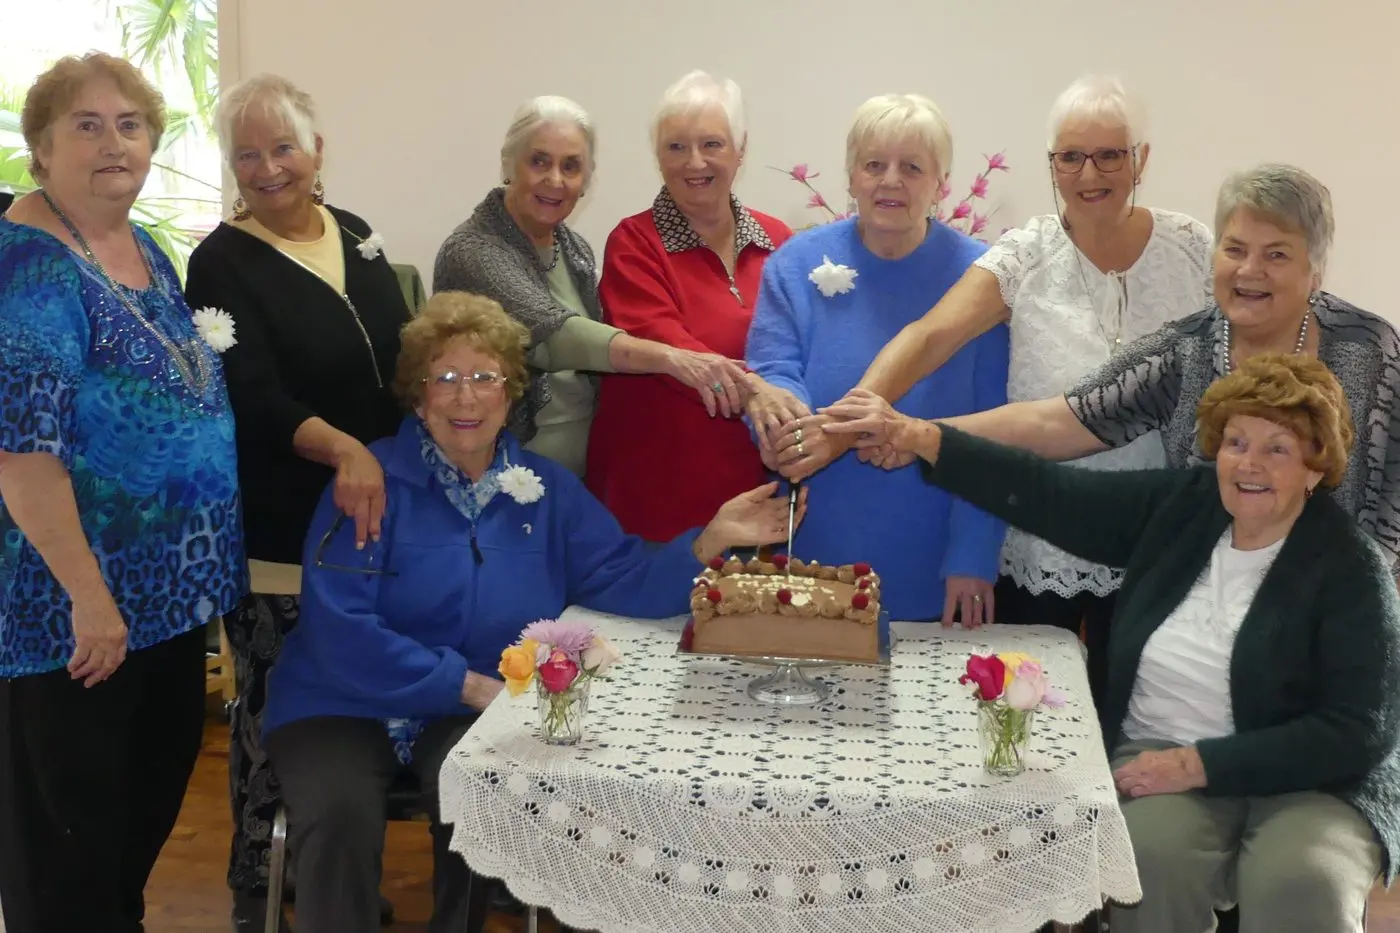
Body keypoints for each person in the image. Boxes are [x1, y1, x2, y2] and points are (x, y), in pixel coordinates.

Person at [262, 292, 804, 933]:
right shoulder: (371, 481)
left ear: (510, 393)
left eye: (485, 378)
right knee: (340, 810)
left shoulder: (546, 490)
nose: (466, 399)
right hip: (343, 696)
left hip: (466, 708)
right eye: (446, 379)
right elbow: (338, 628)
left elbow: (620, 576)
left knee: (485, 794)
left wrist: (710, 539)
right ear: (418, 394)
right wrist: (468, 685)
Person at [825, 354, 1399, 933]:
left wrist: (1201, 764)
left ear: (1314, 467)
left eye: (1278, 448)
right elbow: (1053, 493)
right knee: (1147, 860)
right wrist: (925, 440)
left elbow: (1359, 729)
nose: (1249, 463)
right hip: (1159, 747)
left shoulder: (1352, 568)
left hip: (1312, 784)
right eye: (1235, 442)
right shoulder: (1184, 508)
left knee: (1303, 881)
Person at [838, 75, 1212, 700]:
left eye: (1110, 154)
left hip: (1162, 536)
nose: (1089, 173)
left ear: (1141, 159)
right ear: (1052, 165)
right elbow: (932, 335)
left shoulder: (1195, 248)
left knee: (1140, 721)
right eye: (1071, 156)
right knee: (1028, 723)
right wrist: (862, 410)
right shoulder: (1024, 255)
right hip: (1041, 537)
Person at [841, 163, 1400, 574]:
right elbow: (1057, 423)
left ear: (1315, 270)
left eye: (1277, 254)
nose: (1249, 270)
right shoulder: (1186, 351)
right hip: (1209, 611)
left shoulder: (1370, 351)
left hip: (1342, 621)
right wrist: (917, 434)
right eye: (1235, 249)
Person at [0, 53, 245, 933]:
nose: (115, 143)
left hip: (165, 604)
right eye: (88, 124)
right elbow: (22, 454)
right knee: (67, 849)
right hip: (77, 615)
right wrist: (91, 598)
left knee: (130, 826)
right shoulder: (28, 267)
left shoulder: (142, 245)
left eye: (131, 124)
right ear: (41, 147)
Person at [183, 74, 408, 930]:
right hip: (285, 536)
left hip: (376, 525)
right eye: (248, 152)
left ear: (319, 151)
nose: (269, 167)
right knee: (276, 724)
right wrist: (344, 445)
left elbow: (400, 358)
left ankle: (339, 882)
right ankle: (260, 890)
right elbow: (252, 394)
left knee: (353, 723)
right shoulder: (218, 262)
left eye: (284, 147)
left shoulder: (358, 235)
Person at [744, 93, 1009, 623]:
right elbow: (773, 372)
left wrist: (972, 556)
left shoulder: (985, 277)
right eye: (874, 164)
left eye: (912, 167)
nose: (891, 181)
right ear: (850, 176)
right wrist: (792, 434)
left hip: (931, 543)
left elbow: (993, 429)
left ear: (940, 183)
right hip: (813, 530)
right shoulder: (795, 263)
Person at [433, 95, 749, 478]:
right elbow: (554, 335)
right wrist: (674, 357)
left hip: (578, 478)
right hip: (504, 470)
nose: (555, 180)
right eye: (539, 161)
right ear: (507, 164)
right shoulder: (473, 251)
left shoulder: (573, 248)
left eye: (571, 166)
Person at [585, 71, 793, 540]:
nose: (694, 162)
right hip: (659, 496)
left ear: (740, 151)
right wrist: (758, 389)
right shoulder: (634, 243)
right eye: (676, 147)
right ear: (658, 158)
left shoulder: (780, 241)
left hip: (759, 495)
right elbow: (665, 342)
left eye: (711, 144)